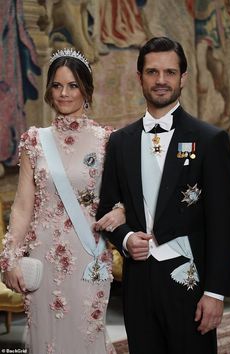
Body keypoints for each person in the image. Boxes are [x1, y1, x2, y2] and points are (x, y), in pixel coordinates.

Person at [96, 37, 230, 354]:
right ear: (140, 77)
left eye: (170, 72)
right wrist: (126, 237)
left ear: (183, 77)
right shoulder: (120, 142)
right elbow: (106, 208)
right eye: (153, 72)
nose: (161, 81)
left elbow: (224, 224)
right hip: (138, 287)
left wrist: (215, 292)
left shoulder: (210, 140)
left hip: (190, 283)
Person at [0, 48, 125, 354]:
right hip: (44, 256)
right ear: (49, 90)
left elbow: (126, 198)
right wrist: (9, 258)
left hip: (89, 256)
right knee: (47, 340)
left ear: (86, 90)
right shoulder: (34, 140)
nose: (64, 93)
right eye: (57, 85)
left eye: (72, 85)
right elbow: (22, 206)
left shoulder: (108, 139)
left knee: (86, 335)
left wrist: (121, 212)